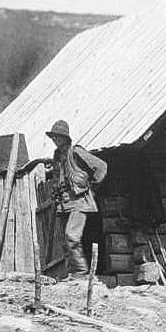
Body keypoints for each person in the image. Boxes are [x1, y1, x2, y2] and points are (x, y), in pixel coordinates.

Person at [45, 119, 107, 278]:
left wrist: (92, 188)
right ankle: (72, 273)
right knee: (66, 242)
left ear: (65, 137)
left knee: (71, 236)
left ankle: (81, 272)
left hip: (79, 201)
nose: (55, 140)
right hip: (64, 203)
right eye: (53, 137)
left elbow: (101, 167)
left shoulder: (76, 152)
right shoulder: (57, 156)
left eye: (58, 136)